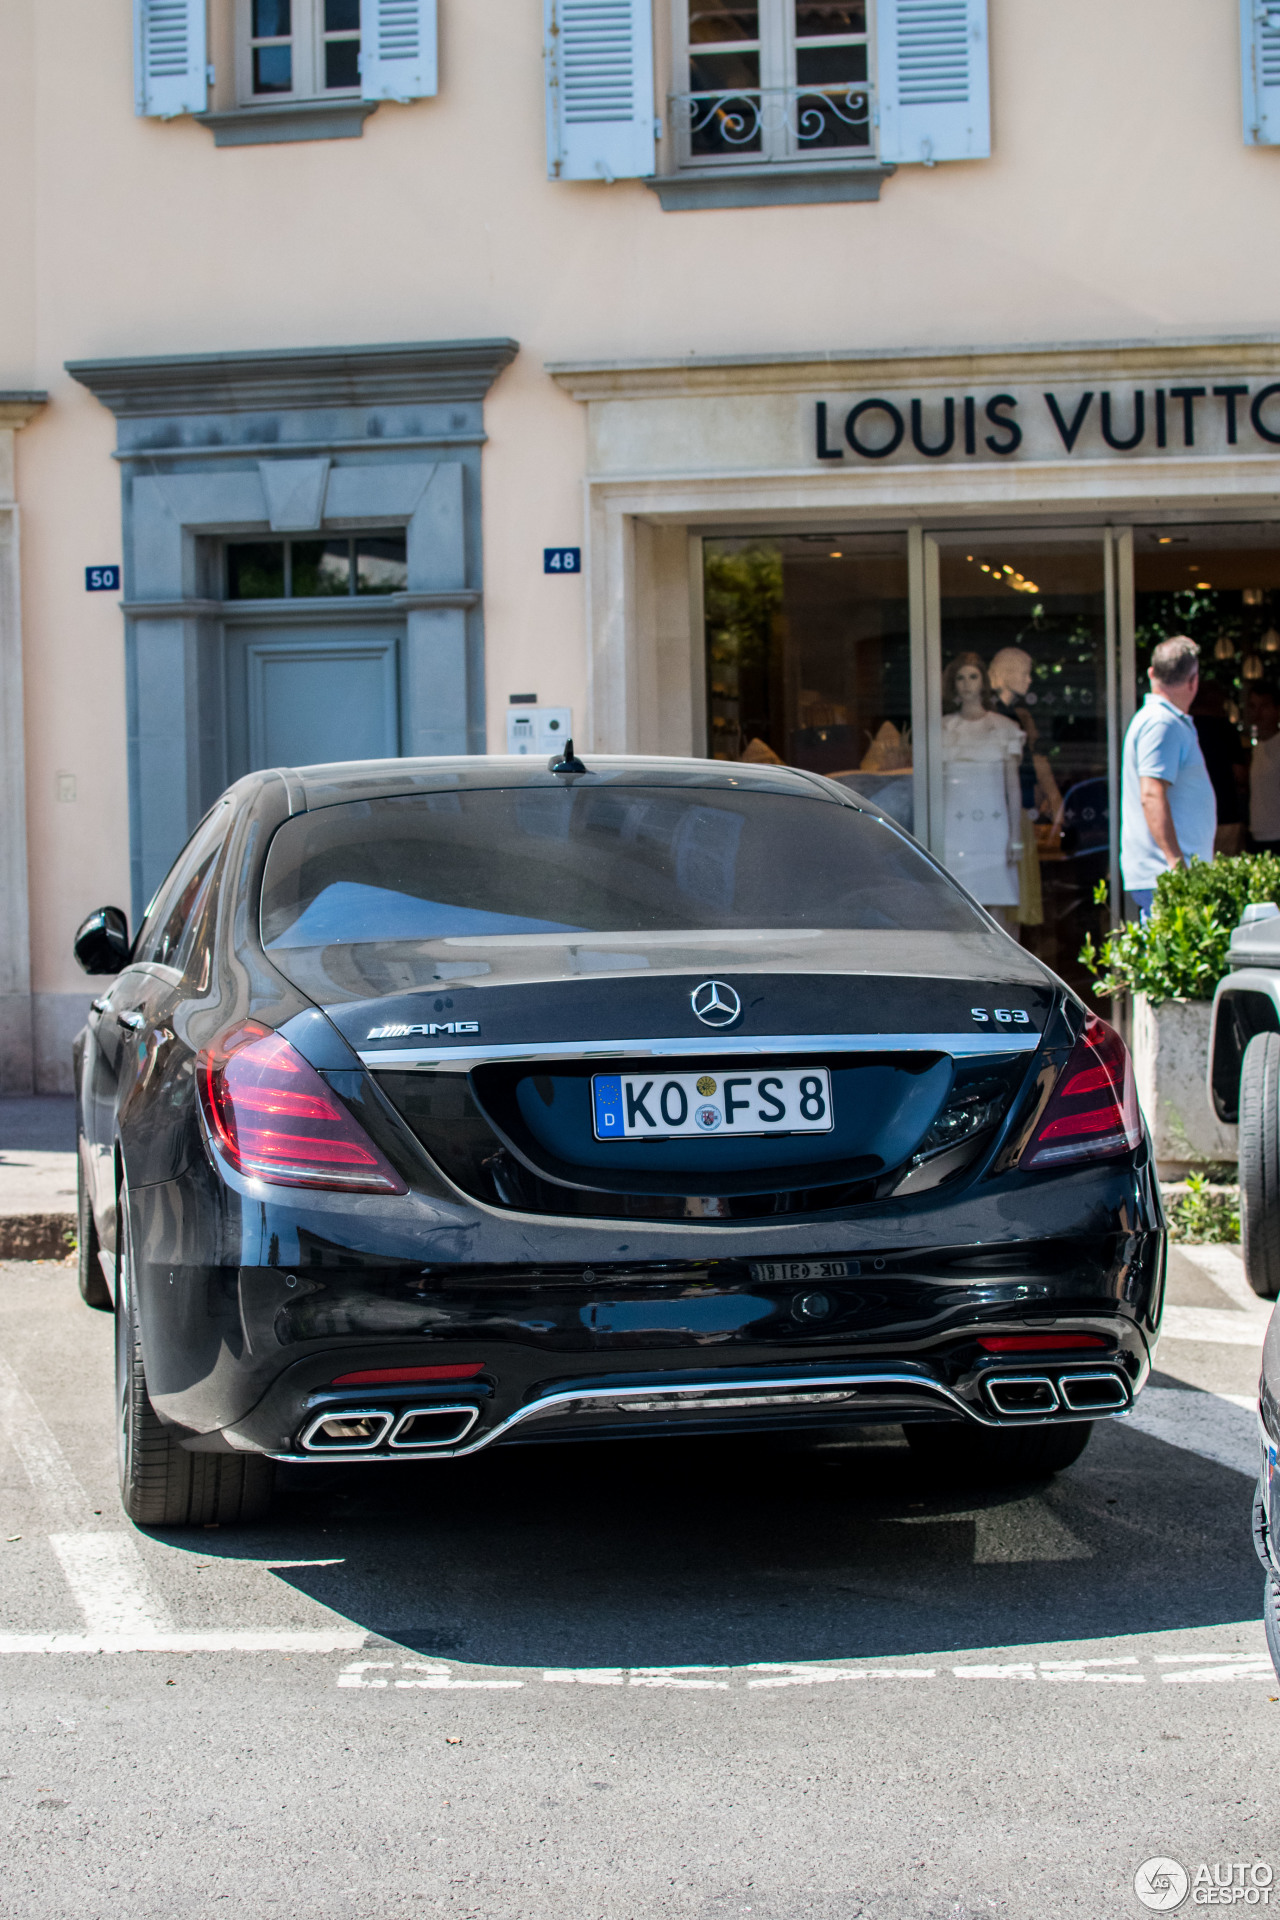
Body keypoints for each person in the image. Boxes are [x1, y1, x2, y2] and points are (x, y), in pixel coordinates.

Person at [1120, 635, 1217, 914]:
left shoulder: (1164, 720)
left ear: (1152, 674)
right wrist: (1176, 863)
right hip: (1165, 875)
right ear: (1193, 681)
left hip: (1166, 875)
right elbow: (1151, 794)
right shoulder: (1160, 722)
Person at [939, 651, 1024, 920]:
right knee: (957, 905)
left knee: (997, 902)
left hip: (994, 830)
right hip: (955, 831)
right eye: (961, 678)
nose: (967, 683)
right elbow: (936, 787)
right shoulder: (942, 729)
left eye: (973, 677)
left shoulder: (1004, 728)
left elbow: (1013, 787)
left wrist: (1015, 836)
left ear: (983, 682)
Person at [1191, 676, 1248, 855]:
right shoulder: (1226, 730)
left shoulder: (1185, 728)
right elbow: (1240, 774)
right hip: (1226, 813)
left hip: (1193, 817)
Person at [1247, 682, 1280, 854]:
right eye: (1253, 706)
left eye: (1264, 706)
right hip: (1257, 836)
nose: (1258, 713)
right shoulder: (1256, 748)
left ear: (1277, 709)